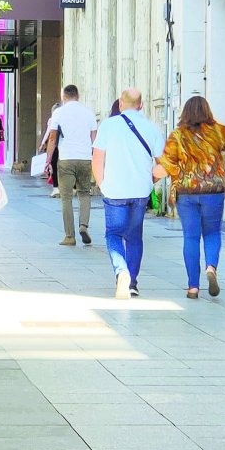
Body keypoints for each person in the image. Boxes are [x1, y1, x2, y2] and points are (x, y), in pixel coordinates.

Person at [91, 88, 165, 299]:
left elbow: (97, 158)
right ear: (141, 105)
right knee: (134, 237)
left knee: (113, 234)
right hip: (140, 192)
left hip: (114, 190)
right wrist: (150, 181)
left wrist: (101, 184)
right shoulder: (152, 128)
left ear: (121, 104)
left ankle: (121, 270)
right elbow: (166, 165)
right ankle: (132, 282)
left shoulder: (108, 125)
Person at [159, 95, 225, 299]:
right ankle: (211, 267)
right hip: (213, 192)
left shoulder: (177, 136)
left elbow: (167, 164)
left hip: (187, 192)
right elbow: (223, 158)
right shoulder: (222, 132)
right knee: (212, 233)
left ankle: (193, 287)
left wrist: (179, 173)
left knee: (191, 237)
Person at [44, 85, 97, 247]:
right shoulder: (89, 113)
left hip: (66, 159)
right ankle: (83, 225)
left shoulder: (58, 113)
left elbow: (52, 139)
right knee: (84, 194)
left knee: (66, 197)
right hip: (85, 159)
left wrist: (48, 161)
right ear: (78, 95)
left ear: (64, 96)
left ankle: (69, 236)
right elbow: (95, 139)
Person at [38, 106, 60, 198]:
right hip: (64, 146)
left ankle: (56, 188)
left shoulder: (52, 120)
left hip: (55, 145)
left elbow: (49, 133)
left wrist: (43, 143)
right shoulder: (65, 118)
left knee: (54, 165)